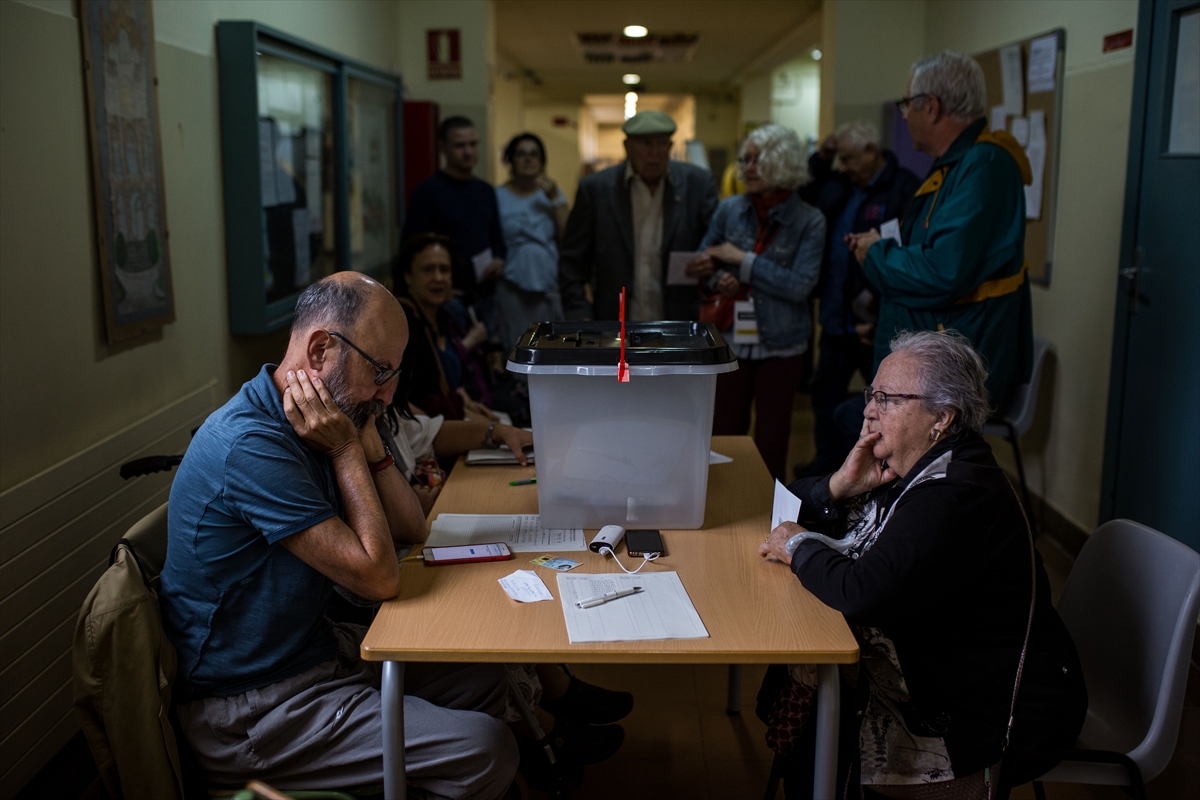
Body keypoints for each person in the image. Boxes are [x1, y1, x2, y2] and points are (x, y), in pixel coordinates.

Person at [159, 273, 518, 798]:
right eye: (379, 371)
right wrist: (349, 450)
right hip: (256, 710)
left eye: (393, 374)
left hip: (314, 657)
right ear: (322, 348)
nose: (390, 392)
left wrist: (365, 432)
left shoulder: (317, 418)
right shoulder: (250, 444)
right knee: (487, 748)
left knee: (485, 676)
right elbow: (378, 577)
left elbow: (410, 527)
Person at [758, 330, 1086, 799]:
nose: (869, 409)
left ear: (941, 417)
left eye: (887, 399)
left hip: (974, 713)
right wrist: (838, 487)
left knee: (820, 710)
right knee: (815, 718)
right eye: (872, 394)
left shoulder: (957, 492)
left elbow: (862, 591)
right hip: (926, 669)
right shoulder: (902, 467)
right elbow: (789, 509)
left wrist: (799, 546)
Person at [848, 52, 1034, 410]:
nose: (904, 117)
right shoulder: (957, 166)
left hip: (950, 368)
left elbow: (941, 272)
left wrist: (876, 253)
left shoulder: (984, 166)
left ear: (930, 107)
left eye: (907, 105)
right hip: (934, 353)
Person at [687, 124, 824, 481]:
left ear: (781, 162)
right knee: (724, 435)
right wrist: (721, 279)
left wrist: (742, 262)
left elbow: (800, 286)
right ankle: (722, 510)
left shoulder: (810, 220)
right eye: (744, 159)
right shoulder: (729, 209)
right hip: (730, 340)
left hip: (783, 344)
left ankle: (768, 520)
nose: (746, 167)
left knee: (772, 443)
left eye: (756, 159)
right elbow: (704, 262)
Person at [797, 121, 921, 478]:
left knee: (880, 408)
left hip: (874, 323)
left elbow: (904, 259)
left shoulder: (903, 189)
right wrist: (821, 158)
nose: (844, 166)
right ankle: (825, 474)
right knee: (825, 398)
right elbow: (806, 194)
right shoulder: (841, 186)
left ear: (871, 151)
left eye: (848, 158)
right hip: (837, 318)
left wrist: (881, 313)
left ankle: (874, 476)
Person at [559, 110, 719, 321]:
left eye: (662, 143)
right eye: (645, 143)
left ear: (671, 147)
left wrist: (712, 263)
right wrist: (580, 313)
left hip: (680, 324)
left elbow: (718, 245)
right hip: (614, 323)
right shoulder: (596, 190)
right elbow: (571, 264)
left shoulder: (697, 185)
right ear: (627, 147)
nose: (654, 152)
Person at [392, 232, 504, 422]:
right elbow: (405, 402)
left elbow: (452, 386)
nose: (438, 278)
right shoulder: (402, 323)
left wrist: (467, 405)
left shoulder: (444, 317)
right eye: (428, 269)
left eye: (444, 270)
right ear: (407, 275)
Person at [401, 116, 506, 308]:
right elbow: (411, 249)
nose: (468, 152)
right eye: (460, 146)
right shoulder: (427, 192)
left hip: (484, 295)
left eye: (473, 144)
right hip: (445, 299)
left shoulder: (485, 191)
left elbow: (497, 239)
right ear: (443, 148)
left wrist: (499, 260)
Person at [494, 132, 569, 352]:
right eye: (521, 154)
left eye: (534, 154)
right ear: (510, 160)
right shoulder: (498, 195)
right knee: (517, 347)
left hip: (547, 284)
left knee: (548, 348)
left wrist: (555, 199)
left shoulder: (553, 194)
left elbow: (568, 237)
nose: (528, 159)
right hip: (513, 284)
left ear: (542, 161)